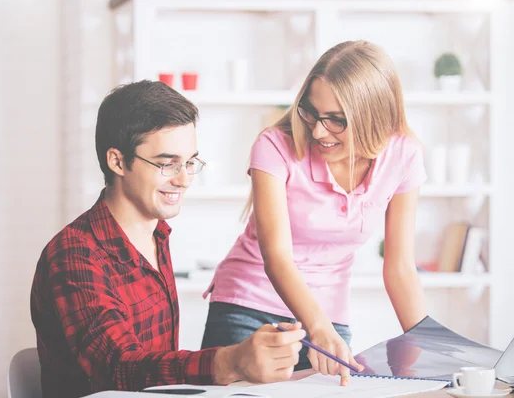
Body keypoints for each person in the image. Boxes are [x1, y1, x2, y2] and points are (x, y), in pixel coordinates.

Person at [30, 80, 306, 398]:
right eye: (167, 163)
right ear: (117, 161)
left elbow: (155, 372)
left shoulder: (156, 234)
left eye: (189, 162)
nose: (184, 179)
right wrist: (231, 361)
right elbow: (117, 368)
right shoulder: (74, 255)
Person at [201, 40, 428, 386]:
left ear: (374, 118)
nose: (318, 131)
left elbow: (399, 269)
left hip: (329, 317)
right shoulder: (274, 145)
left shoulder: (404, 155)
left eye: (336, 120)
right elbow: (276, 255)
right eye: (311, 113)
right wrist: (317, 328)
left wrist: (430, 350)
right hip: (248, 307)